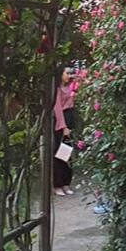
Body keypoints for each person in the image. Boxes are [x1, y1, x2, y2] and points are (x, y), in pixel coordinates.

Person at [53, 67, 77, 196]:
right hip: (61, 122)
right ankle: (57, 184)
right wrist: (63, 127)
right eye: (67, 73)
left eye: (71, 73)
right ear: (61, 74)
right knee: (59, 154)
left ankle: (66, 183)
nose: (69, 76)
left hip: (70, 119)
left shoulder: (71, 88)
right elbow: (57, 109)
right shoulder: (57, 90)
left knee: (67, 154)